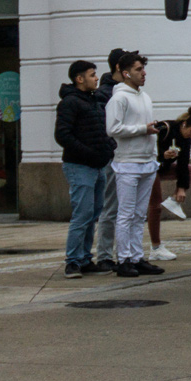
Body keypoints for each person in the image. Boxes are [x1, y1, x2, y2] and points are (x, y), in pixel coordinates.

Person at [54, 60, 116, 278]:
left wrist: (109, 148)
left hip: (98, 166)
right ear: (79, 79)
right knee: (82, 214)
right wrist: (88, 153)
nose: (96, 78)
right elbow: (62, 135)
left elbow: (102, 130)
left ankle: (84, 259)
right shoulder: (70, 102)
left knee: (93, 213)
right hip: (79, 166)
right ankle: (72, 261)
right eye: (92, 75)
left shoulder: (93, 101)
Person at [105, 51, 164, 277]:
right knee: (126, 213)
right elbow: (112, 129)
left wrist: (155, 150)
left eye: (143, 69)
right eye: (139, 70)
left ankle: (137, 257)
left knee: (139, 214)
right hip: (127, 163)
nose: (143, 73)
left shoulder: (144, 97)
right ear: (125, 72)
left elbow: (146, 128)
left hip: (147, 161)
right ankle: (124, 259)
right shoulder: (119, 98)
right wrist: (143, 129)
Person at [146, 106, 191, 262]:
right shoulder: (165, 128)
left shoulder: (186, 139)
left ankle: (173, 200)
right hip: (151, 167)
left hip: (163, 167)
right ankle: (156, 247)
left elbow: (183, 163)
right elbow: (147, 149)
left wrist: (181, 188)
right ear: (184, 124)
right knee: (155, 206)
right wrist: (162, 156)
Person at [92, 47, 128, 273]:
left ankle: (126, 254)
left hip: (127, 156)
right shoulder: (106, 93)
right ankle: (105, 255)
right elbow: (106, 127)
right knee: (110, 207)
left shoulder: (124, 91)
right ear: (119, 68)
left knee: (124, 209)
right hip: (114, 157)